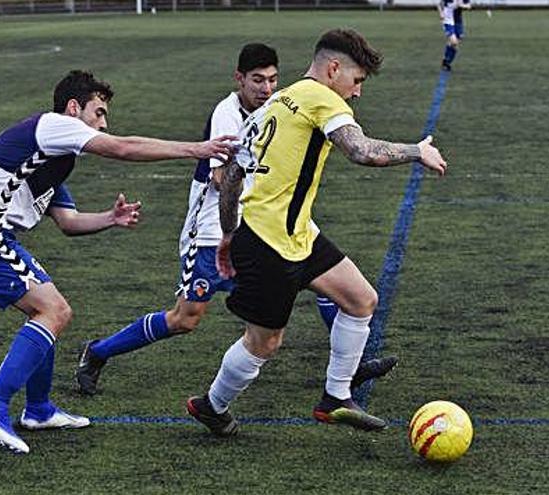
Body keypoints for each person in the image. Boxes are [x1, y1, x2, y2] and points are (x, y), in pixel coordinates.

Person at [0, 70, 235, 454]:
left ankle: (38, 410)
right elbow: (122, 147)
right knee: (53, 310)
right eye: (98, 112)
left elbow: (69, 223)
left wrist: (110, 218)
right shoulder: (52, 125)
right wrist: (198, 148)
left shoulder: (51, 158)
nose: (104, 123)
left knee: (50, 308)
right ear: (74, 108)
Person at [74, 44, 398, 397]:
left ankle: (349, 369)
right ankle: (97, 352)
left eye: (273, 79)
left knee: (323, 276)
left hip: (263, 229)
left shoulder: (281, 104)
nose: (266, 88)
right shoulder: (226, 115)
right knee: (186, 317)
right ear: (239, 79)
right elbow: (222, 178)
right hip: (212, 231)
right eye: (257, 80)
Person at [185, 29, 448, 437]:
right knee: (264, 344)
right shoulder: (321, 97)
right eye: (357, 80)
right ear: (333, 68)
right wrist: (417, 151)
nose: (357, 93)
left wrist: (228, 234)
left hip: (294, 234)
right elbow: (361, 150)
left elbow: (235, 172)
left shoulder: (277, 100)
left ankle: (335, 398)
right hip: (270, 243)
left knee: (361, 300)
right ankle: (211, 405)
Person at [439, 0, 471, 71]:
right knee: (454, 42)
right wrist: (441, 13)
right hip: (447, 20)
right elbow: (441, 3)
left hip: (458, 21)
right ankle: (446, 62)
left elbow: (469, 6)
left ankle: (446, 61)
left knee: (455, 43)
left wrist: (461, 5)